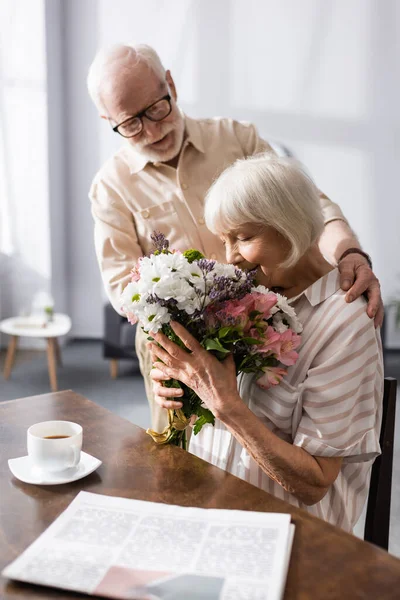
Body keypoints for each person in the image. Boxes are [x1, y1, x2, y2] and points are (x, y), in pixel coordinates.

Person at [87, 43, 383, 433]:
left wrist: (349, 252)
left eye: (158, 108)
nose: (153, 130)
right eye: (131, 123)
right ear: (108, 119)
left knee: (269, 441)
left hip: (264, 323)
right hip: (180, 343)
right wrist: (177, 342)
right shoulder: (111, 187)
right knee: (185, 452)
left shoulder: (235, 138)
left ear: (171, 84)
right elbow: (126, 291)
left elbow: (309, 207)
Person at [149, 155, 383, 532]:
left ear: (292, 226)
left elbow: (315, 483)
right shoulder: (243, 293)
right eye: (225, 239)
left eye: (243, 237)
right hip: (210, 507)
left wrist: (223, 402)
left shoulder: (346, 323)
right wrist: (184, 389)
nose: (229, 257)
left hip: (286, 533)